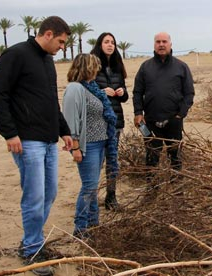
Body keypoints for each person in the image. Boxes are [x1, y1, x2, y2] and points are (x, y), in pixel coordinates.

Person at [0, 16, 72, 276]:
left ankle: (30, 240)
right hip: (26, 140)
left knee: (49, 194)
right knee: (34, 196)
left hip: (48, 140)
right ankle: (33, 248)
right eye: (60, 42)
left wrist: (64, 131)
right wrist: (9, 133)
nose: (62, 47)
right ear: (48, 34)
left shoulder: (48, 62)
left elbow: (50, 101)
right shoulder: (15, 55)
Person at [62, 53, 117, 239]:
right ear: (87, 67)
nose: (98, 70)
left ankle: (93, 222)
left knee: (93, 186)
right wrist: (75, 147)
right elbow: (70, 120)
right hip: (89, 145)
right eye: (95, 66)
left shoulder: (91, 88)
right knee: (89, 186)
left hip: (101, 143)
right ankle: (80, 227)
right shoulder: (75, 89)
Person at [132, 32, 194, 185]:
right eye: (158, 42)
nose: (161, 44)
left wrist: (181, 114)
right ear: (154, 45)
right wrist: (138, 112)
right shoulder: (145, 67)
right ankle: (151, 191)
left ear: (170, 44)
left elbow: (189, 93)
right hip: (151, 122)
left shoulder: (181, 67)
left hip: (174, 121)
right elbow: (137, 92)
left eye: (164, 41)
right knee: (151, 158)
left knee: (175, 158)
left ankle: (177, 193)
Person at [90, 32, 128, 211]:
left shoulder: (117, 67)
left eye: (113, 42)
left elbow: (125, 96)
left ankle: (111, 197)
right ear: (100, 44)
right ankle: (91, 198)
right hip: (98, 122)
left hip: (116, 121)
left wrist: (122, 93)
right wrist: (101, 92)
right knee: (96, 161)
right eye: (106, 42)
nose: (110, 45)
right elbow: (86, 90)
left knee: (113, 161)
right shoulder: (92, 67)